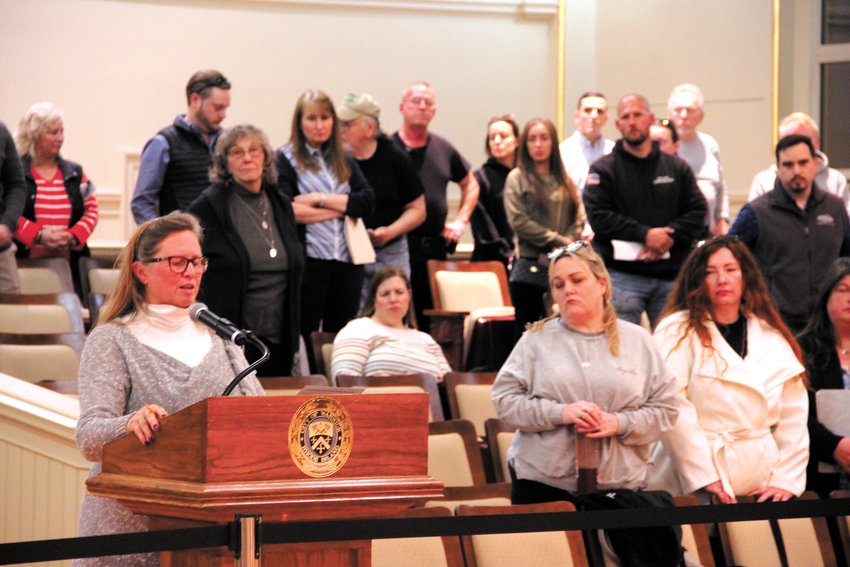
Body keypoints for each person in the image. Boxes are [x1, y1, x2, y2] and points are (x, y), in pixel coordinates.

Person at [74, 212, 264, 567]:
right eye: (177, 262)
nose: (191, 272)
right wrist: (131, 423)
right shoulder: (112, 339)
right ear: (141, 271)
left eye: (197, 261)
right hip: (128, 532)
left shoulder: (222, 338)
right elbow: (88, 438)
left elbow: (258, 418)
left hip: (207, 538)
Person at [492, 241, 678, 501]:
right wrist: (561, 413)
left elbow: (666, 411)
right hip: (544, 485)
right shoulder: (536, 339)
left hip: (621, 490)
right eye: (559, 285)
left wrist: (618, 423)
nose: (568, 290)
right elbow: (504, 400)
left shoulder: (639, 340)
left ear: (601, 284)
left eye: (577, 280)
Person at [651, 235, 808, 503]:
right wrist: (703, 475)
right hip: (692, 475)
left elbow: (794, 416)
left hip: (760, 480)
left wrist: (785, 480)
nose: (722, 280)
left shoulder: (771, 335)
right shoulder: (677, 329)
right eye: (710, 272)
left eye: (731, 270)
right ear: (697, 280)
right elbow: (673, 404)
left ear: (745, 275)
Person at [188, 124, 304, 376]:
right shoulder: (208, 207)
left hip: (281, 336)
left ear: (266, 157)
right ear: (225, 162)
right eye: (237, 153)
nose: (247, 158)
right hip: (232, 337)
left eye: (254, 150)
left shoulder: (280, 203)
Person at [584, 94, 707, 328]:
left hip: (671, 277)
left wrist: (667, 237)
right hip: (621, 278)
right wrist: (645, 235)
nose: (632, 122)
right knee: (620, 351)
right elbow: (599, 217)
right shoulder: (603, 169)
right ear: (618, 124)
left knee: (672, 353)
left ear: (650, 119)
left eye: (638, 115)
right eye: (626, 117)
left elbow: (697, 212)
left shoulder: (676, 167)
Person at [275, 89, 375, 343]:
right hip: (310, 261)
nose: (319, 125)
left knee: (341, 334)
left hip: (347, 259)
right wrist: (342, 209)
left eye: (325, 118)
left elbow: (366, 202)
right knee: (306, 333)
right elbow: (289, 210)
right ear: (299, 122)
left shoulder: (343, 158)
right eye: (312, 118)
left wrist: (320, 200)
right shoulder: (285, 158)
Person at [731, 134, 850, 333]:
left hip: (828, 326)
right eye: (788, 165)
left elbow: (846, 262)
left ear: (815, 163)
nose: (797, 171)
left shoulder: (835, 208)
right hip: (775, 325)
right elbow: (732, 260)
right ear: (778, 168)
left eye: (803, 163)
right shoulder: (756, 213)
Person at [392, 81, 480, 333]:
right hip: (395, 248)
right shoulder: (388, 148)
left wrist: (461, 221)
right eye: (415, 101)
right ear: (402, 107)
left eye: (427, 103)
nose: (421, 107)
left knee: (433, 321)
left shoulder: (443, 148)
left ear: (434, 111)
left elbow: (471, 184)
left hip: (433, 250)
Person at [336, 92, 425, 301]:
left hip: (390, 251)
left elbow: (418, 209)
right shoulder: (337, 160)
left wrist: (388, 233)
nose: (341, 130)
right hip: (349, 251)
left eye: (348, 125)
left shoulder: (395, 158)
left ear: (369, 128)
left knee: (392, 308)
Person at [505, 118, 585, 334]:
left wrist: (568, 242)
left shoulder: (564, 179)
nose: (538, 144)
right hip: (531, 265)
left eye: (544, 138)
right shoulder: (517, 178)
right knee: (528, 330)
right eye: (532, 139)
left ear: (553, 143)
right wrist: (559, 241)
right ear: (525, 144)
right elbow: (519, 222)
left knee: (564, 329)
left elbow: (579, 218)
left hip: (563, 264)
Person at [14, 102, 99, 295]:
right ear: (35, 134)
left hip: (69, 267)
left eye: (62, 132)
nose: (60, 138)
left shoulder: (74, 172)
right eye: (53, 132)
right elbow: (6, 212)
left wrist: (72, 236)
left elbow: (92, 208)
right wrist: (38, 236)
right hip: (24, 266)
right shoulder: (15, 172)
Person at [131, 70, 231, 224]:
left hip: (221, 242)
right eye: (218, 107)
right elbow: (142, 203)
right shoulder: (162, 143)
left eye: (225, 108)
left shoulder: (226, 142)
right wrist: (161, 239)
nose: (223, 115)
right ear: (195, 99)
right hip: (182, 240)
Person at [331, 265, 450, 382]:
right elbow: (344, 380)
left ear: (409, 295)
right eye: (385, 294)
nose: (393, 299)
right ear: (374, 299)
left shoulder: (426, 339)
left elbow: (450, 385)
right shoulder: (358, 329)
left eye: (399, 292)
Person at [798, 258, 850, 497]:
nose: (849, 298)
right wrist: (834, 445)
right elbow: (796, 414)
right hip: (818, 474)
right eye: (843, 290)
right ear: (826, 296)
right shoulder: (802, 349)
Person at [748, 111, 850, 217]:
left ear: (817, 144)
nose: (797, 171)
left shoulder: (836, 180)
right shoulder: (763, 181)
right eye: (788, 142)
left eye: (802, 142)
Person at [667, 83, 730, 235]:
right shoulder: (664, 144)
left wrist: (722, 218)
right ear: (669, 114)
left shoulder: (710, 144)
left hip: (708, 229)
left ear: (700, 116)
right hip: (675, 232)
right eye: (678, 110)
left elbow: (721, 186)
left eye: (690, 110)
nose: (684, 115)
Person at [470, 114, 519, 266]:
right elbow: (483, 227)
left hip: (523, 258)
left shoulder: (525, 176)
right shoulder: (479, 178)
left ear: (516, 141)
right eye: (492, 137)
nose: (497, 141)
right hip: (491, 260)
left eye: (503, 136)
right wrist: (506, 253)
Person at [558, 92, 615, 194]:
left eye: (599, 111)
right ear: (577, 116)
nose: (593, 115)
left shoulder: (613, 151)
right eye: (588, 110)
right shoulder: (562, 152)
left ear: (606, 118)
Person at [0, 120, 26, 293]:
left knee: (13, 315)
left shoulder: (1, 131)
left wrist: (6, 224)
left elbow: (16, 185)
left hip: (1, 251)